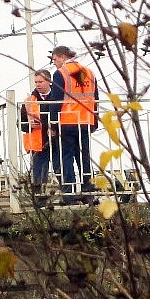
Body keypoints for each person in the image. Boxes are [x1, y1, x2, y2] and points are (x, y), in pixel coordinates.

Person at [47, 44, 98, 198]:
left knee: (66, 157)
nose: (54, 62)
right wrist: (95, 121)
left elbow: (56, 101)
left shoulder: (61, 73)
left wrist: (53, 124)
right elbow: (95, 99)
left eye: (55, 59)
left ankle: (69, 193)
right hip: (86, 122)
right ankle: (88, 191)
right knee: (84, 157)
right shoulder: (89, 72)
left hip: (67, 122)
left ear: (63, 57)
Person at [19, 70, 56, 186]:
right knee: (38, 175)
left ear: (49, 81)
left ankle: (68, 194)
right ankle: (39, 197)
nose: (38, 84)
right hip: (38, 143)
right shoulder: (29, 101)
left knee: (60, 168)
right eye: (36, 82)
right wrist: (28, 125)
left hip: (57, 139)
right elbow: (21, 123)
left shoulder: (58, 97)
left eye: (40, 81)